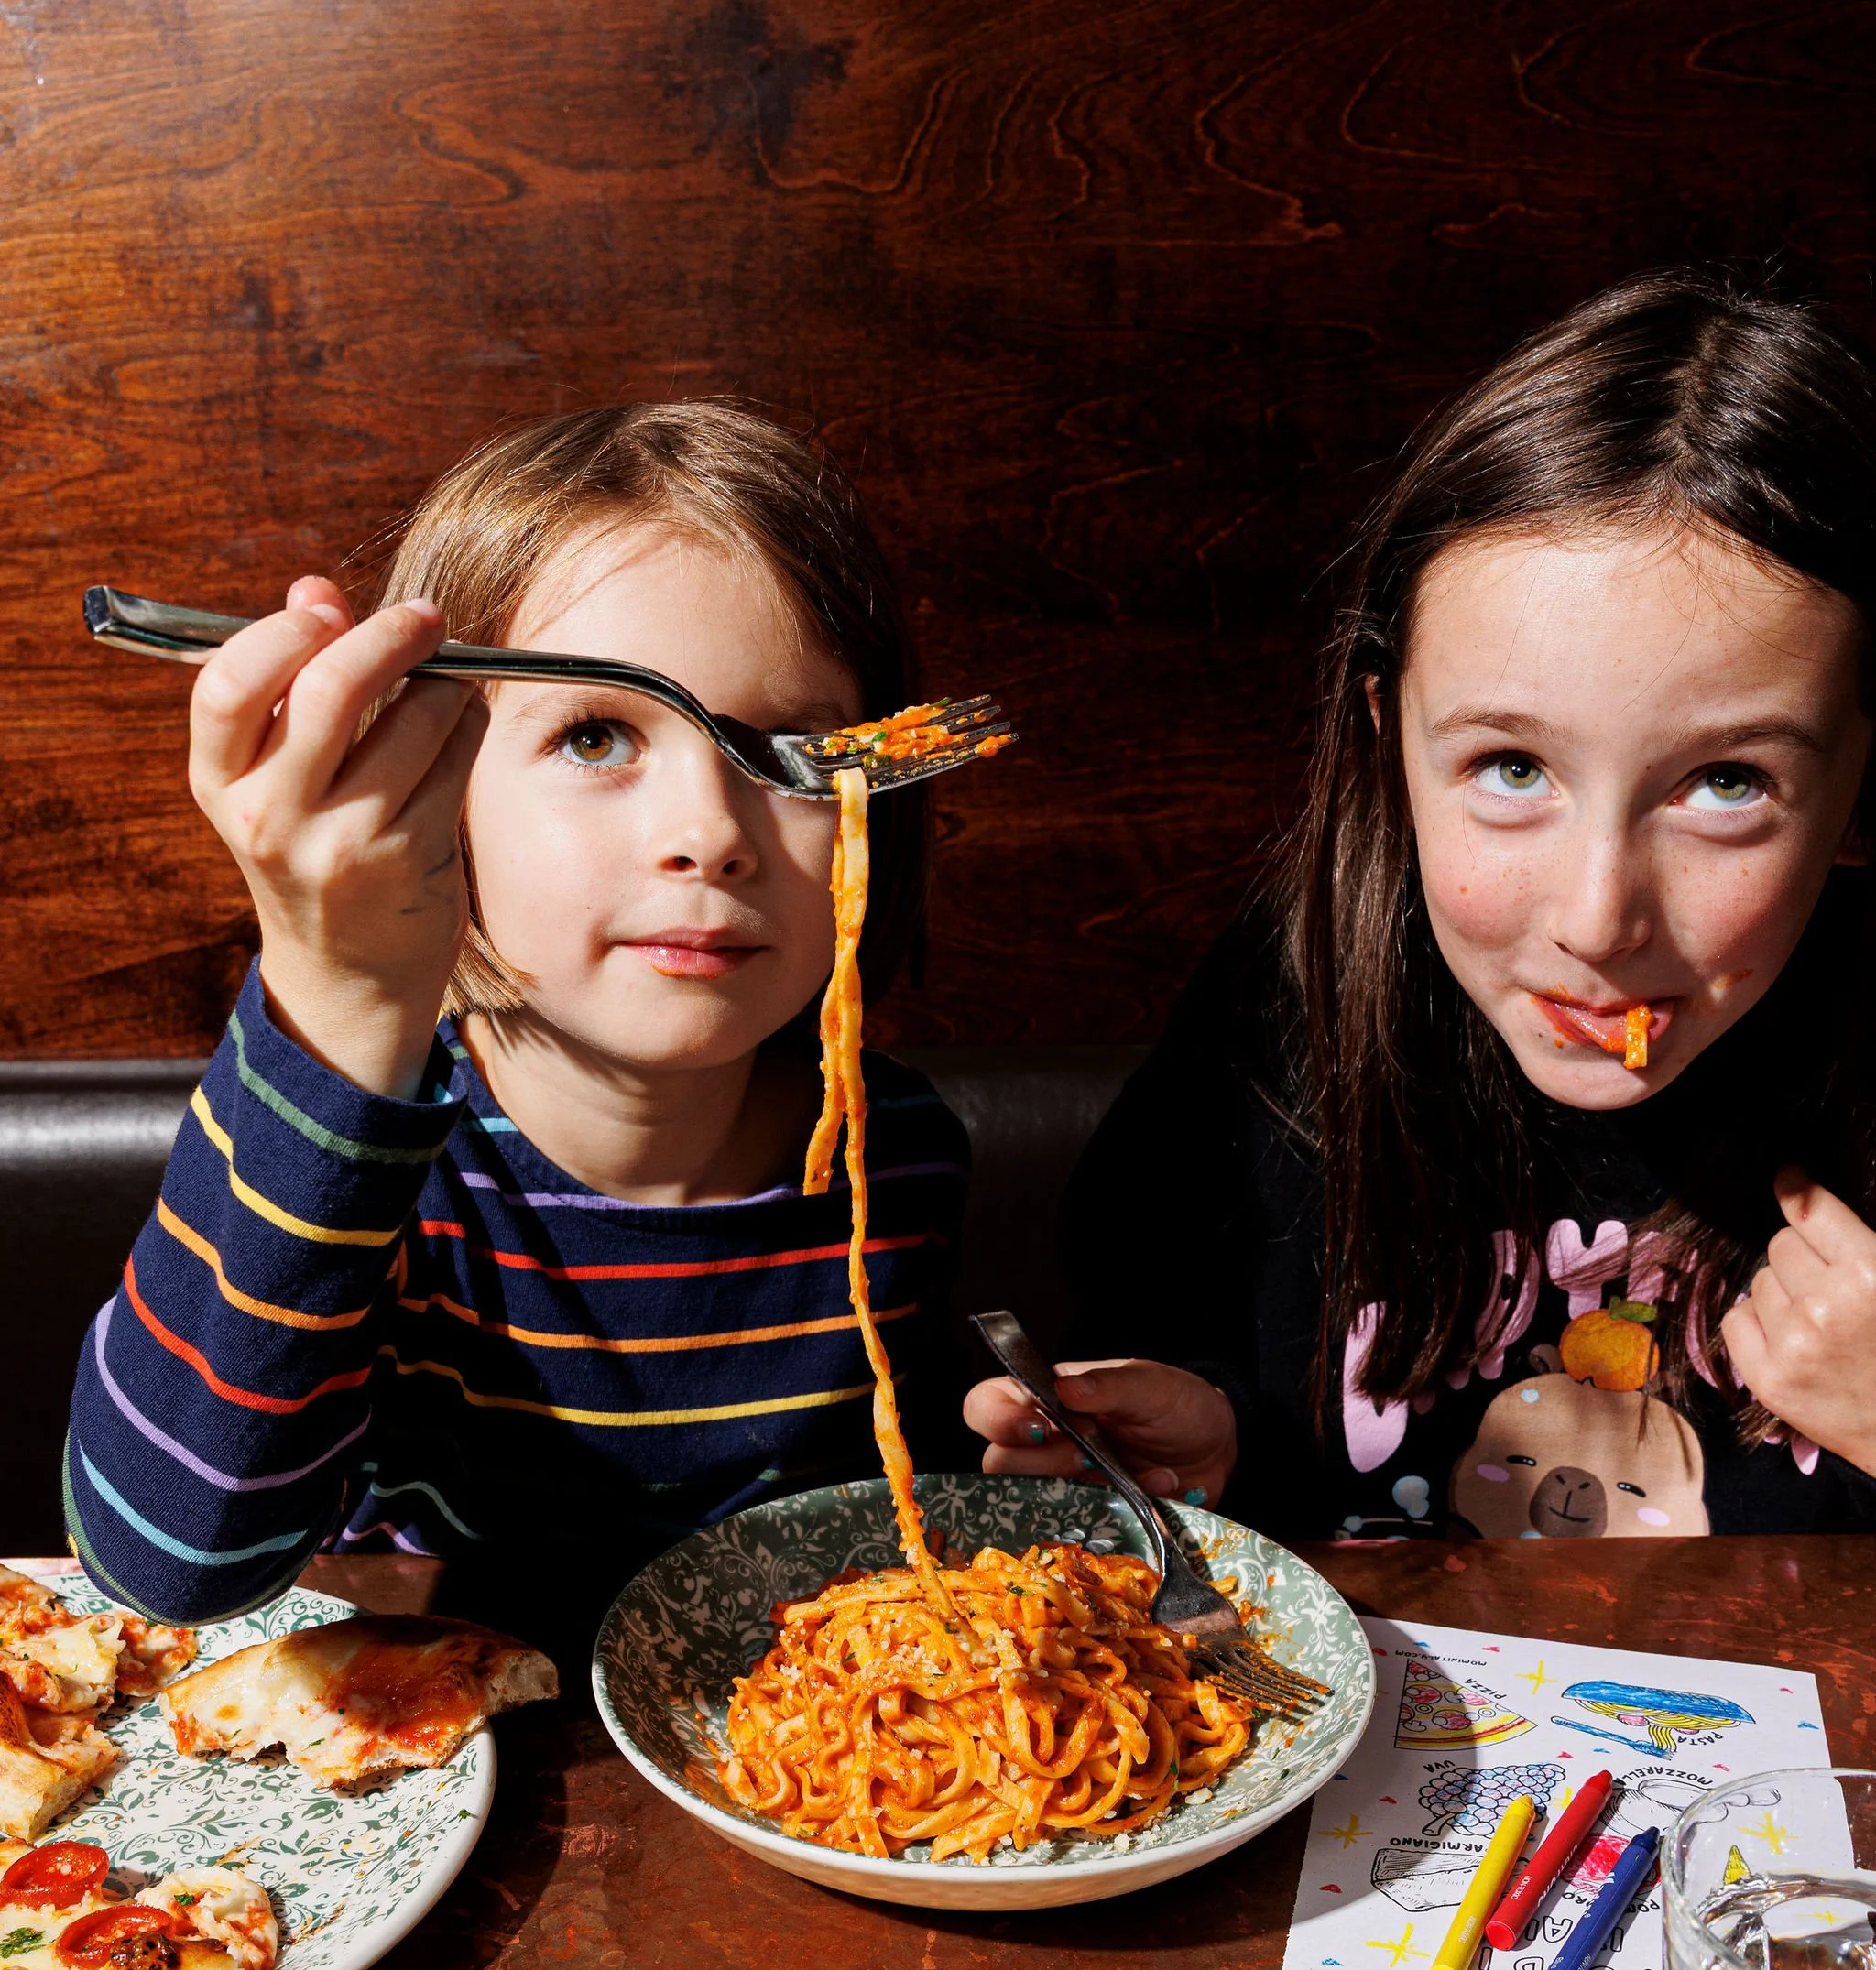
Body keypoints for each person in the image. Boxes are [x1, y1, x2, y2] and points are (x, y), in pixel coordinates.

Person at [968, 269, 1876, 1541]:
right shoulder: (1288, 1004)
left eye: (1726, 784)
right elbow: (1182, 1362)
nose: (1600, 917)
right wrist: (1220, 1440)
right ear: (1394, 744)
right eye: (1512, 769)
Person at [67, 402, 968, 1640]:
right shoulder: (386, 1171)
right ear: (431, 787)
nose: (707, 830)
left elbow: (909, 1525)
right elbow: (166, 1566)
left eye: (780, 749)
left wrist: (1060, 1445)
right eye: (596, 734)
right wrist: (339, 999)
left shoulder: (893, 1147)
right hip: (433, 1752)